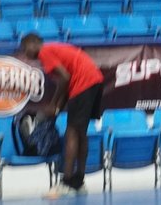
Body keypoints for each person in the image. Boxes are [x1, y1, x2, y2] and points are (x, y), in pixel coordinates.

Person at [20, 34, 104, 199]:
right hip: (94, 80)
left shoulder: (45, 51)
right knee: (81, 133)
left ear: (34, 43)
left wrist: (53, 104)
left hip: (84, 83)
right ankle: (78, 182)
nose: (25, 53)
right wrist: (57, 107)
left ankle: (66, 182)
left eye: (25, 48)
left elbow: (65, 78)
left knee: (71, 133)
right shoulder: (54, 49)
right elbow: (67, 82)